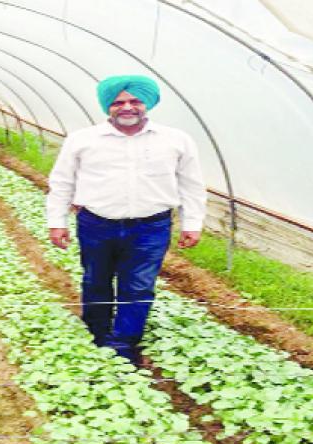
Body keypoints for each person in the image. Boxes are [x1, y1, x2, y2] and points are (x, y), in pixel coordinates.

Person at [46, 75, 206, 365]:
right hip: (97, 223)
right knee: (96, 280)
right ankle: (97, 333)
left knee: (139, 285)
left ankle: (122, 344)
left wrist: (192, 223)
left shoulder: (176, 140)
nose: (127, 107)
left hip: (151, 226)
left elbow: (191, 184)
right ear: (108, 107)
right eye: (118, 102)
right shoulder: (83, 140)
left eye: (135, 101)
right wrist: (57, 221)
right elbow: (62, 182)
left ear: (148, 104)